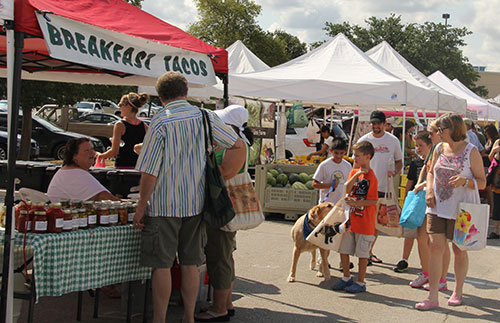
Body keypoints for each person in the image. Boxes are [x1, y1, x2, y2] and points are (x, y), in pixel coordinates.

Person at [134, 72, 244, 323]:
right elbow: (236, 144)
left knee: (161, 265)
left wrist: (141, 205)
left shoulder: (159, 122)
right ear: (185, 92)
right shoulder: (205, 117)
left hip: (162, 205)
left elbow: (149, 171)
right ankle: (188, 317)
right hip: (195, 204)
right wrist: (216, 164)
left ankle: (159, 319)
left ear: (161, 97)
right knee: (190, 264)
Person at [416, 113, 486, 310]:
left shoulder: (471, 151)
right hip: (437, 206)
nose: (437, 133)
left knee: (458, 250)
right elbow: (430, 172)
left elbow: (482, 182)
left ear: (453, 130)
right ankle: (433, 296)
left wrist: (465, 181)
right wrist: (429, 189)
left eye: (441, 129)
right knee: (436, 247)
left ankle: (458, 290)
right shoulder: (439, 148)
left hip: (462, 210)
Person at [194, 105, 253, 322]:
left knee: (219, 256)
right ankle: (225, 304)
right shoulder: (231, 144)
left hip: (222, 207)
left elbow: (224, 173)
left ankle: (219, 307)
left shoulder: (236, 146)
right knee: (224, 255)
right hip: (222, 206)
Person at [408, 122, 451, 291]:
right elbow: (427, 170)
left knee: (440, 240)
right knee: (422, 236)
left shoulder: (446, 149)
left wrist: (423, 185)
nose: (431, 135)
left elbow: (441, 174)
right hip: (428, 197)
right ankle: (426, 271)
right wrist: (420, 185)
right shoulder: (436, 150)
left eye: (432, 132)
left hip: (442, 199)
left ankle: (441, 277)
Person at [331, 141, 378, 293]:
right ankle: (346, 277)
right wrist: (356, 174)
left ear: (367, 156)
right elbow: (346, 189)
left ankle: (361, 281)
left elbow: (373, 200)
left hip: (365, 222)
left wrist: (358, 203)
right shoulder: (354, 172)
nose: (354, 158)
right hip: (349, 220)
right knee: (343, 249)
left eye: (357, 156)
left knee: (362, 253)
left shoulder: (372, 177)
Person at [357, 110, 403, 264]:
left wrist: (395, 171)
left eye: (379, 123)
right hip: (365, 186)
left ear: (385, 124)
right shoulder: (364, 140)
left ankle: (368, 252)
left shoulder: (393, 141)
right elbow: (356, 163)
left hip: (384, 186)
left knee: (376, 222)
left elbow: (399, 161)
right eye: (373, 123)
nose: (376, 126)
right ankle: (362, 251)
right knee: (364, 220)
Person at [393, 131, 433, 273]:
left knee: (424, 237)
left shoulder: (433, 163)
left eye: (421, 145)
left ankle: (425, 263)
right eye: (416, 146)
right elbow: (409, 184)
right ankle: (404, 259)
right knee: (409, 233)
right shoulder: (415, 163)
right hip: (415, 201)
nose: (418, 149)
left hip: (426, 202)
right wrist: (404, 202)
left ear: (429, 146)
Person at [47, 138, 120, 202]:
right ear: (74, 156)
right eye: (87, 150)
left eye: (92, 149)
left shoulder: (66, 171)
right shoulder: (76, 173)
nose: (92, 153)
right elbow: (105, 197)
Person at [97, 92, 149, 168]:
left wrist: (100, 156)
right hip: (138, 168)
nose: (119, 107)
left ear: (128, 106)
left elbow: (114, 151)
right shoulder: (144, 126)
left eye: (120, 104)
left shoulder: (120, 125)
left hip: (122, 167)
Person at [312, 138, 352, 204]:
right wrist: (329, 185)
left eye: (341, 153)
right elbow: (314, 184)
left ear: (345, 151)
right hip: (326, 204)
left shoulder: (348, 166)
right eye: (336, 153)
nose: (339, 156)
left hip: (341, 205)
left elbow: (349, 184)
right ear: (331, 151)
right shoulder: (324, 165)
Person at [487, 135, 500, 239]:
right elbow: (491, 158)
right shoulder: (498, 142)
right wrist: (495, 150)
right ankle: (495, 230)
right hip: (497, 180)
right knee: (497, 205)